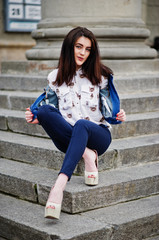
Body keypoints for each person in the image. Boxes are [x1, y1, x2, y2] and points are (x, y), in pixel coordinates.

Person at [25, 26, 126, 219]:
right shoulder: (55, 77)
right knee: (45, 111)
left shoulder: (101, 76)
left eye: (88, 49)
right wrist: (35, 117)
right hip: (72, 138)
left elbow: (109, 110)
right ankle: (88, 154)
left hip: (98, 135)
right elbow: (48, 107)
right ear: (69, 47)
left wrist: (118, 115)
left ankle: (58, 187)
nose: (83, 52)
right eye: (79, 46)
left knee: (81, 124)